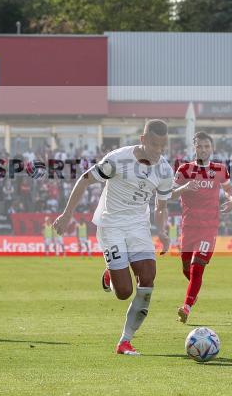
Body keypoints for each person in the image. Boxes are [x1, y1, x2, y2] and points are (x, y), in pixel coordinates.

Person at [53, 119, 174, 355]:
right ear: (143, 140)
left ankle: (125, 341)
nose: (158, 151)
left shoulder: (165, 170)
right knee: (124, 292)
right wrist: (67, 214)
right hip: (111, 226)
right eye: (154, 145)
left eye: (163, 146)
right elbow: (85, 179)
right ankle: (111, 273)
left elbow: (161, 206)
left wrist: (161, 230)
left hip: (138, 226)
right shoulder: (118, 159)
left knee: (148, 278)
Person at [170, 131, 232, 323]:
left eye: (207, 146)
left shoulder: (220, 169)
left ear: (212, 148)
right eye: (200, 146)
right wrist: (184, 188)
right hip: (188, 227)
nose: (203, 149)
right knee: (186, 269)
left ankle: (186, 307)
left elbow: (229, 189)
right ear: (194, 148)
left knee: (197, 266)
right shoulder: (184, 169)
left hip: (209, 227)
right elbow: (170, 193)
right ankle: (193, 293)